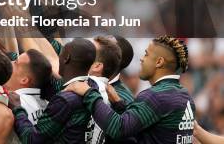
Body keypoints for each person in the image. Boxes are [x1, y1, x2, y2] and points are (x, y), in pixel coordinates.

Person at [65, 36, 196, 144]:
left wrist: (89, 93)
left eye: (146, 54)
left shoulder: (155, 96)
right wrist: (118, 103)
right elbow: (139, 131)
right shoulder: (185, 95)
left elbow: (119, 129)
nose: (141, 59)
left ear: (159, 62)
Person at [10, 38, 99, 143]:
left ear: (66, 58)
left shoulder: (65, 100)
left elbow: (33, 140)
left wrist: (17, 108)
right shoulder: (93, 85)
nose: (56, 58)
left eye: (60, 54)